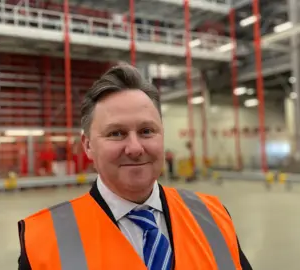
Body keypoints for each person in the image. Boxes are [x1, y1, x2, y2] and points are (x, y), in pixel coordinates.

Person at [17, 64, 252, 270]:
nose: (135, 148)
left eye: (146, 131)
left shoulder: (214, 217)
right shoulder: (45, 240)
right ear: (88, 146)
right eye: (116, 133)